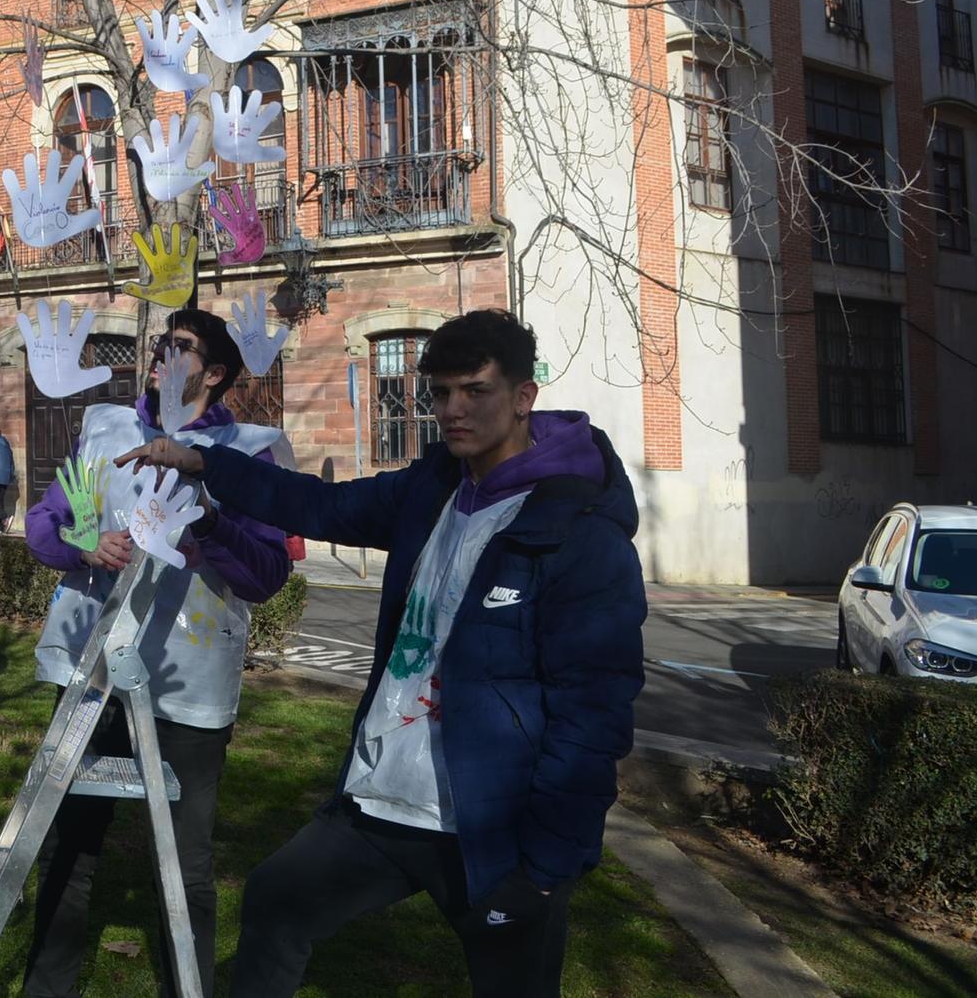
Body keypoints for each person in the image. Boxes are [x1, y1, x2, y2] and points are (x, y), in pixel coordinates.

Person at [119, 309, 645, 998]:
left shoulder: (579, 533)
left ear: (523, 397)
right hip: (384, 800)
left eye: (474, 391)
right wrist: (206, 462)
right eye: (441, 393)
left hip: (494, 826)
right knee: (278, 897)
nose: (453, 410)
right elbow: (318, 505)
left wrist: (547, 866)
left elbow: (594, 717)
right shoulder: (432, 489)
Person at [20, 307, 291, 998]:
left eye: (181, 347)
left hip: (189, 685)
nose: (161, 356)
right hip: (91, 666)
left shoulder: (252, 450)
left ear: (217, 371)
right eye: (159, 344)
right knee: (68, 846)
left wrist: (213, 523)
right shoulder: (106, 428)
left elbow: (267, 574)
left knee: (186, 866)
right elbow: (44, 521)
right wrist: (84, 545)